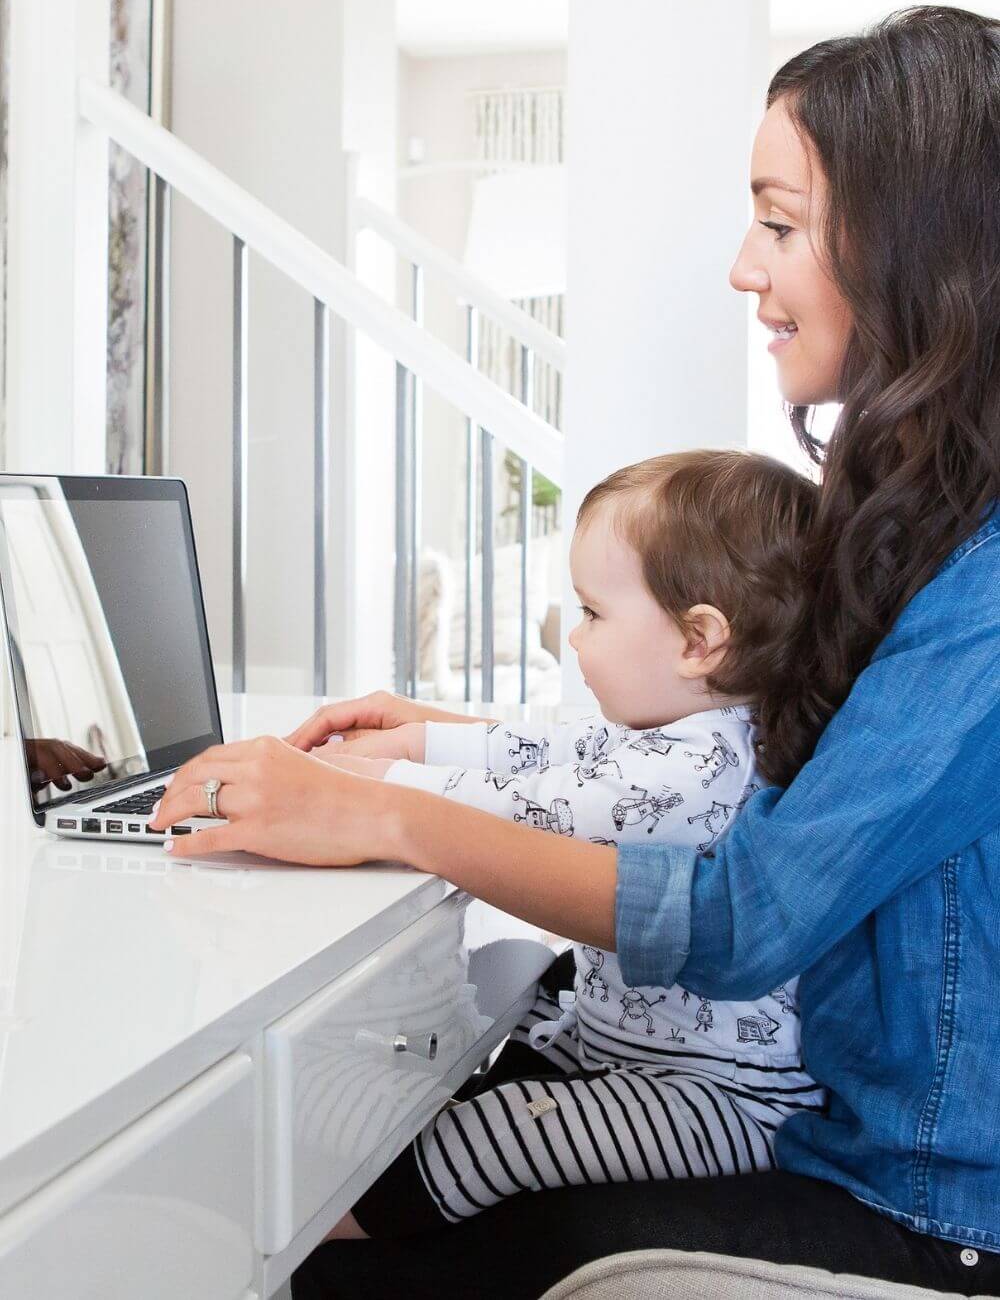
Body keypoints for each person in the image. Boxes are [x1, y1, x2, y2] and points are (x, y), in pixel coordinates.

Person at [151, 6, 1000, 1298]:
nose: (742, 267)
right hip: (845, 1143)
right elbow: (712, 761)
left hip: (920, 1212)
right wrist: (441, 740)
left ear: (914, 252)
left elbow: (742, 914)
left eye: (779, 222)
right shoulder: (917, 528)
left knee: (319, 1266)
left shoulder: (983, 587)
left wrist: (390, 818)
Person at [320, 449, 823, 1239]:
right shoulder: (688, 728)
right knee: (514, 1026)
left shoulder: (703, 766)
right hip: (623, 1043)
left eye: (592, 613)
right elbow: (547, 750)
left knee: (499, 1130)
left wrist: (369, 791)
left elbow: (529, 810)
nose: (576, 641)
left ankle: (316, 1243)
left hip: (715, 1096)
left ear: (700, 640)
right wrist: (410, 740)